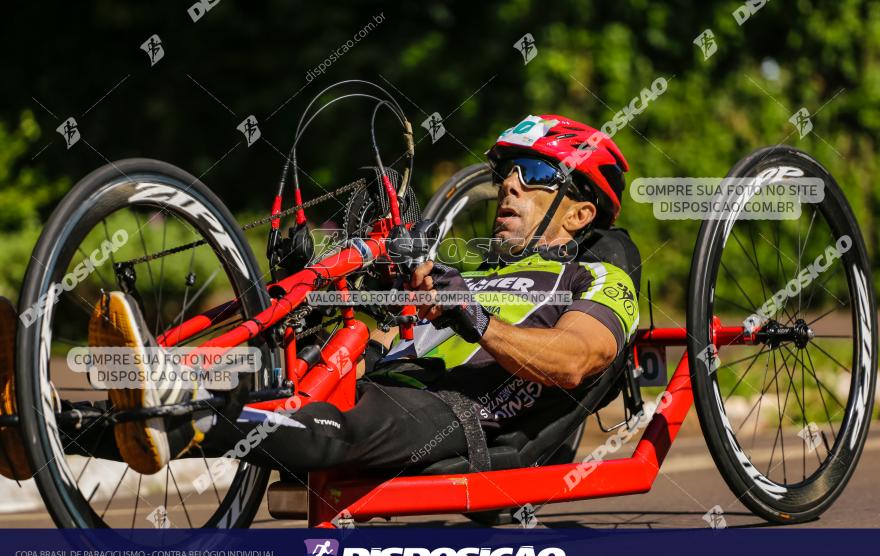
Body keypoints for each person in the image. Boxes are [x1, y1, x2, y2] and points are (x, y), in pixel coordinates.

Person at [0, 114, 639, 479]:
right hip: (387, 377)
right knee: (277, 365)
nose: (509, 189)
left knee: (325, 427)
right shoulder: (473, 262)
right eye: (505, 176)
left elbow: (578, 358)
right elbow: (400, 333)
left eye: (535, 178)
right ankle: (39, 423)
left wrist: (476, 319)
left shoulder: (599, 267)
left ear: (581, 212)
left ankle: (173, 402)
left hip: (455, 416)